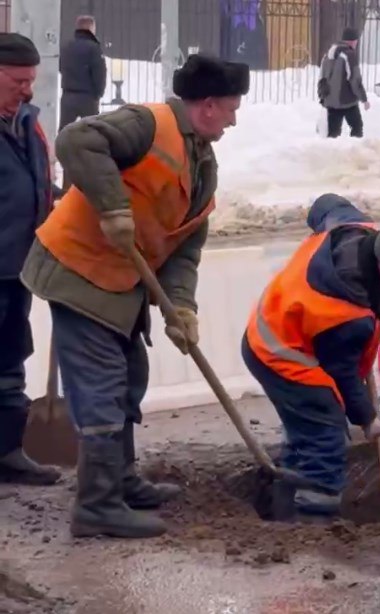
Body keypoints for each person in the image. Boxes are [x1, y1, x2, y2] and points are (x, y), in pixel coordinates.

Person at [20, 53, 250, 539]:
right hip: (80, 270)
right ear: (208, 105)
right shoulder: (148, 124)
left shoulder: (201, 163)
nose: (233, 120)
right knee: (102, 386)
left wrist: (181, 307)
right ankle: (97, 505)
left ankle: (120, 481)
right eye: (231, 108)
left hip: (121, 281)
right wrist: (113, 208)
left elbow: (184, 247)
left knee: (129, 379)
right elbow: (76, 141)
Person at [241, 194, 380, 524]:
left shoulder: (350, 226)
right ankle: (315, 519)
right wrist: (368, 419)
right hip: (282, 355)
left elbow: (326, 203)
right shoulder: (346, 313)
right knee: (325, 430)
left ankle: (284, 509)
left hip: (277, 327)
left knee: (305, 430)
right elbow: (343, 375)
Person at [0, 33, 63, 486]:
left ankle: (6, 451)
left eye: (30, 81)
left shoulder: (26, 123)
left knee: (9, 358)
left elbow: (34, 183)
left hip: (16, 268)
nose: (26, 90)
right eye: (17, 81)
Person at [318, 27, 369, 138]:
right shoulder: (349, 55)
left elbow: (321, 78)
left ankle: (331, 149)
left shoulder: (327, 55)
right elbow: (355, 80)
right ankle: (354, 148)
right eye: (356, 40)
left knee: (333, 134)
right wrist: (364, 99)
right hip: (347, 101)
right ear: (353, 41)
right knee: (357, 127)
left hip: (331, 102)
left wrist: (323, 97)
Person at [59, 15, 106, 133]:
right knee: (92, 131)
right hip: (88, 97)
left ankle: (62, 145)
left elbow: (61, 67)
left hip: (68, 95)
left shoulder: (67, 46)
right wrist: (99, 93)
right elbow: (99, 73)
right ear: (91, 28)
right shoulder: (94, 48)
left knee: (64, 130)